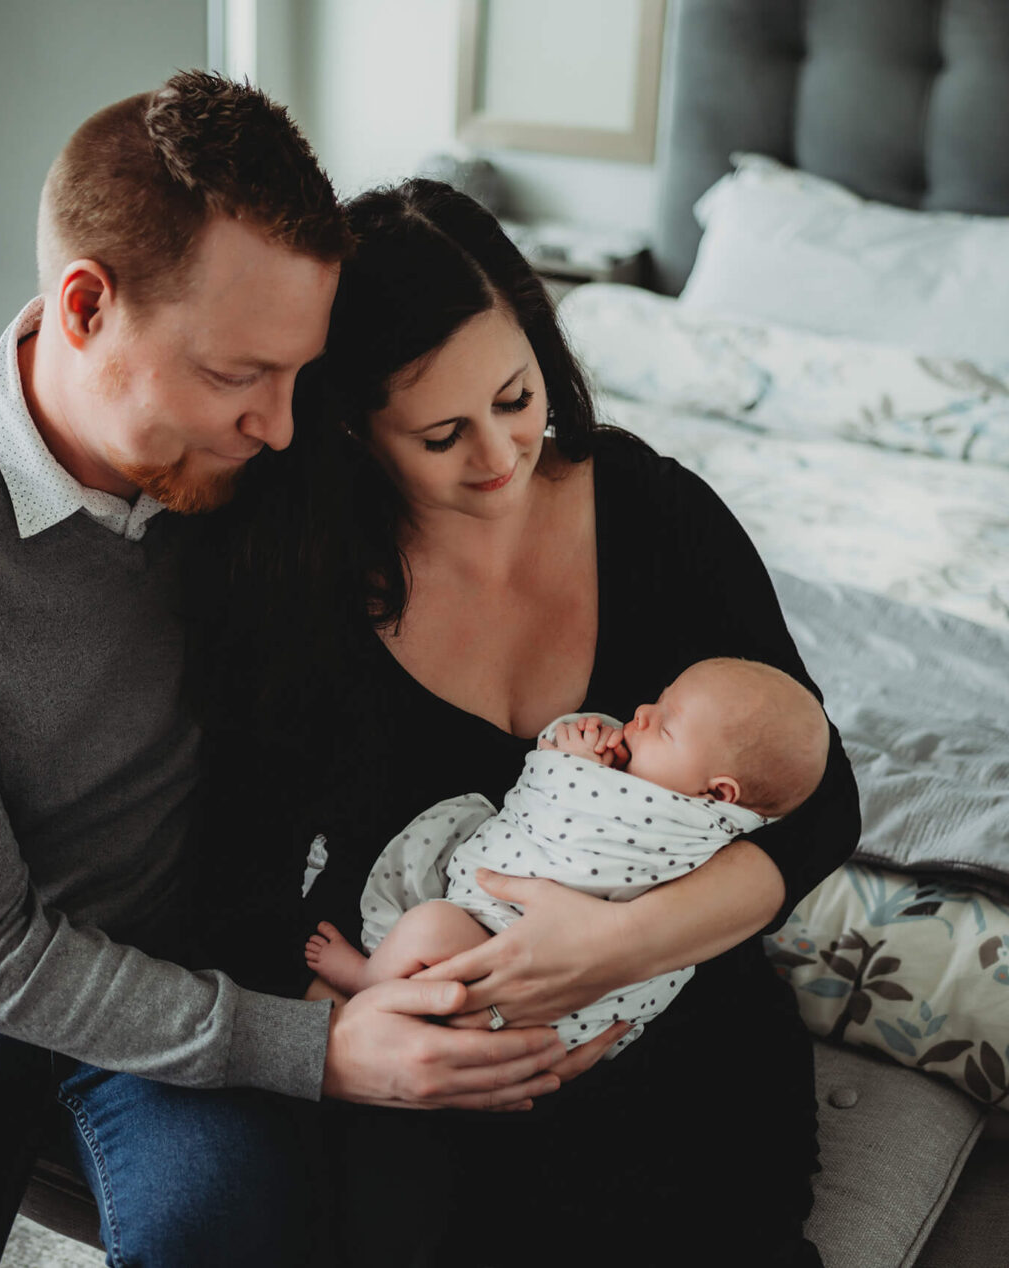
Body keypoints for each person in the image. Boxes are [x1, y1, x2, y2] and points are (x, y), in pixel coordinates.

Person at [0, 79, 577, 1268]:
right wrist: (324, 1051)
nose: (281, 426)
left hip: (186, 946)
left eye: (297, 375)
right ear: (85, 306)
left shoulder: (257, 474)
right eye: (237, 373)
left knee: (232, 1235)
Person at [199, 179, 861, 1266]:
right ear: (356, 429)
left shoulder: (652, 510)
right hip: (430, 1030)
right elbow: (238, 869)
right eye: (441, 432)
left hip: (665, 996)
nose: (499, 454)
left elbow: (823, 798)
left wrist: (616, 943)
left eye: (516, 396)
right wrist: (352, 1031)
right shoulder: (304, 582)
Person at [304, 658, 831, 1060]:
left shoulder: (676, 827)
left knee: (430, 926)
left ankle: (370, 982)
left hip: (515, 960)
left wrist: (572, 763)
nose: (642, 715)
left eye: (665, 726)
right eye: (658, 701)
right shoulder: (673, 792)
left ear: (718, 795)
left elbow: (566, 813)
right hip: (522, 959)